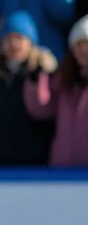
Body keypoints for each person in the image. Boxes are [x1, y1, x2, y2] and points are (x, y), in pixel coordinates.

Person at [0, 11, 57, 166]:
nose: (13, 44)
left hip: (36, 166)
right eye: (8, 38)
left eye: (19, 38)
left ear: (31, 42)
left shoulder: (46, 77)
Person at [25, 14, 88, 166]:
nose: (81, 50)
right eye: (77, 45)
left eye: (85, 44)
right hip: (62, 166)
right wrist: (37, 78)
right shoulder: (64, 78)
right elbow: (41, 109)